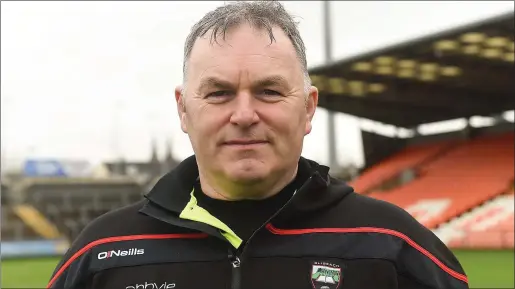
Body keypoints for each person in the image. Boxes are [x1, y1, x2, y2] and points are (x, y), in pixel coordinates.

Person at [47, 1, 469, 289]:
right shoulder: (102, 254)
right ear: (183, 109)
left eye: (269, 91)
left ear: (307, 109)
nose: (245, 114)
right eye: (218, 93)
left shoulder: (392, 246)